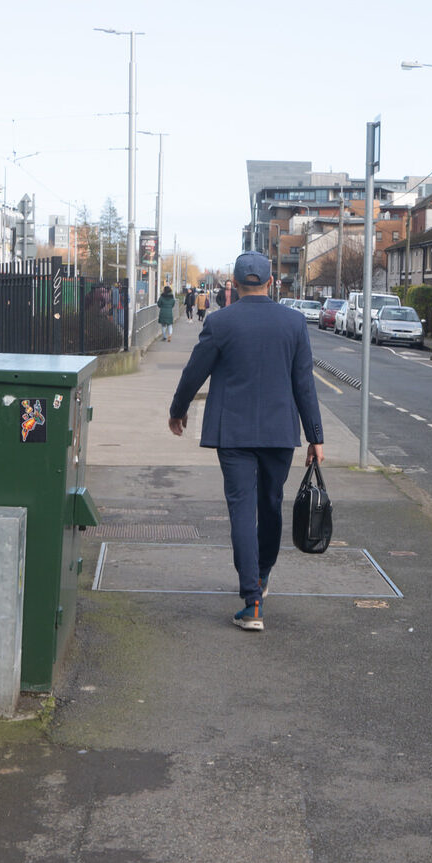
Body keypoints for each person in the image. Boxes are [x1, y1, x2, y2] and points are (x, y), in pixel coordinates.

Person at [168, 251, 324, 632]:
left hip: (233, 433)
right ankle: (263, 576)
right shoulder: (293, 323)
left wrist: (178, 409)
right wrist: (315, 438)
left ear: (234, 285)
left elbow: (195, 370)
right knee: (270, 505)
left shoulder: (221, 322)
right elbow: (304, 384)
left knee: (241, 509)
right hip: (279, 434)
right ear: (272, 283)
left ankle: (252, 601)